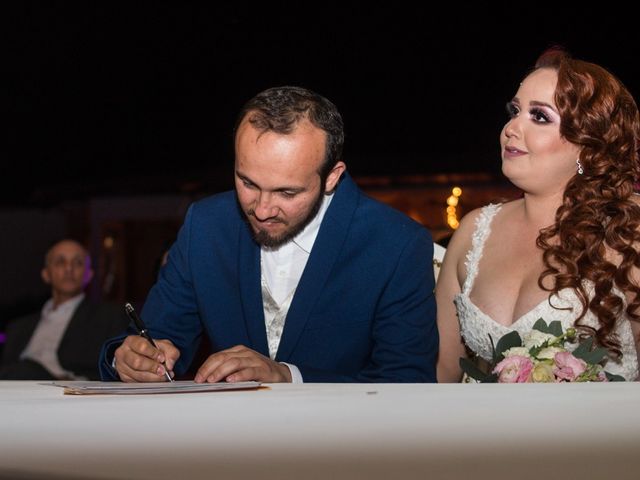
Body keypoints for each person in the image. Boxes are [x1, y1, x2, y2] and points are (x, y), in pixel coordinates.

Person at [100, 86, 438, 383]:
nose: (261, 209)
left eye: (287, 193)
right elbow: (158, 334)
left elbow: (407, 380)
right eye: (247, 183)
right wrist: (130, 359)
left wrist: (288, 375)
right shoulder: (206, 225)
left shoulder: (397, 243)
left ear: (332, 177)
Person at [436, 48, 640, 382]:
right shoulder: (473, 230)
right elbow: (442, 373)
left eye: (539, 116)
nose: (511, 128)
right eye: (514, 111)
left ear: (588, 147)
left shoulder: (626, 234)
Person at [0, 239, 129, 380]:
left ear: (89, 275)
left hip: (68, 389)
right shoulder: (18, 327)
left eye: (78, 263)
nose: (69, 268)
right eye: (60, 262)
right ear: (46, 274)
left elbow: (116, 368)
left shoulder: (109, 317)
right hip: (17, 388)